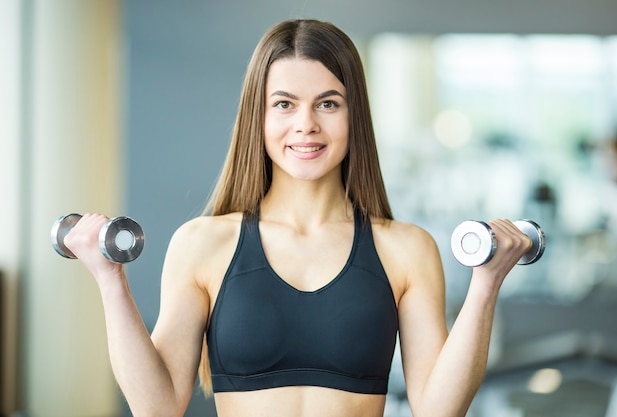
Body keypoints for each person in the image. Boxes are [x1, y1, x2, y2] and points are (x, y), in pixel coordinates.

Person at [65, 19, 532, 417]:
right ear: (259, 118)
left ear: (354, 116)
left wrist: (486, 284)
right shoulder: (202, 244)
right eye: (284, 104)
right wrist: (110, 280)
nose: (306, 124)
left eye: (328, 103)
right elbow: (158, 406)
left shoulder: (406, 249)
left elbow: (437, 408)